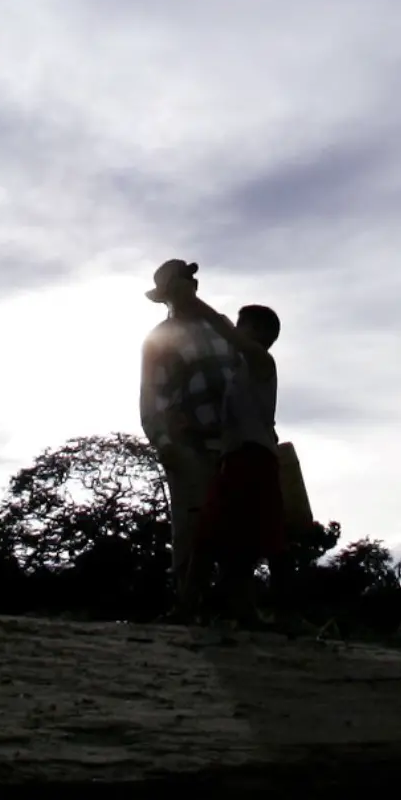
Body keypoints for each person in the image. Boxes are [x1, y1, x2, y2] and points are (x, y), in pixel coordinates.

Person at [140, 258, 244, 623]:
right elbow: (152, 396)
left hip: (232, 441)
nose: (192, 285)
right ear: (170, 291)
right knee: (191, 525)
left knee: (235, 526)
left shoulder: (222, 328)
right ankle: (186, 605)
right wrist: (163, 441)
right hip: (189, 443)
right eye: (184, 280)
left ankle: (235, 606)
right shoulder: (158, 338)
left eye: (192, 280)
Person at [193, 303, 287, 629]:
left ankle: (281, 612)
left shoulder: (262, 362)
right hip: (235, 457)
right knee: (219, 535)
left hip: (255, 458)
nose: (236, 330)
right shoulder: (239, 372)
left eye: (242, 326)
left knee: (255, 538)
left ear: (259, 333)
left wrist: (196, 305)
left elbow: (224, 333)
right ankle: (232, 609)